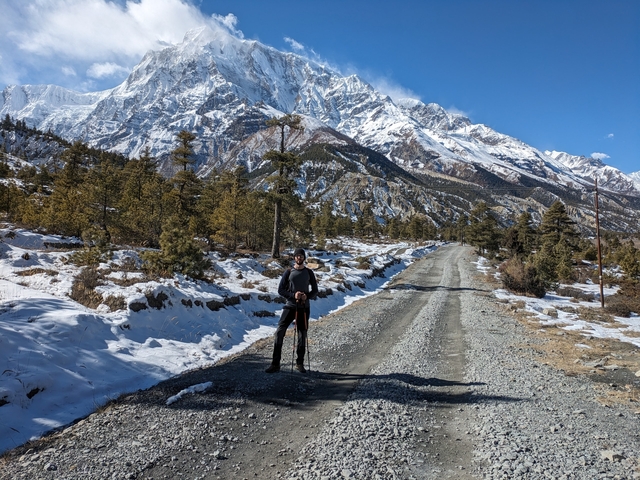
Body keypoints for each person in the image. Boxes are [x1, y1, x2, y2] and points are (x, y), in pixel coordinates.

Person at [265, 247, 318, 373]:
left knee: (302, 335)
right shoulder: (289, 271)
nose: (299, 257)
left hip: (304, 307)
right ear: (294, 257)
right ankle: (275, 363)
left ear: (304, 258)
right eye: (297, 255)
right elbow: (280, 290)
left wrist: (307, 296)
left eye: (301, 256)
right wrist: (293, 295)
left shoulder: (309, 273)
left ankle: (300, 363)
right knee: (279, 332)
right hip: (290, 306)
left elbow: (315, 291)